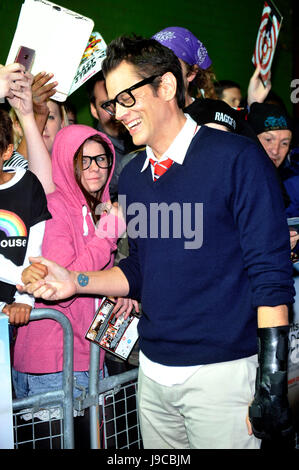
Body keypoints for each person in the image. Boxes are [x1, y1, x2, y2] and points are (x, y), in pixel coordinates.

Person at [19, 35, 295, 450]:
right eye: (113, 104)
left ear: (166, 87)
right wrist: (76, 280)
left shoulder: (236, 158)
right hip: (152, 373)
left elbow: (269, 274)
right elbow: (140, 270)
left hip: (221, 374)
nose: (119, 115)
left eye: (127, 99)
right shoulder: (130, 176)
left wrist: (272, 379)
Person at [0, 106, 50, 328]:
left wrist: (25, 298)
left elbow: (35, 250)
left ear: (6, 151)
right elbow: (26, 274)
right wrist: (22, 278)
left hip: (15, 308)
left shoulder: (28, 185)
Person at [86, 71, 140, 201]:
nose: (117, 111)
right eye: (106, 104)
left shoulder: (145, 135)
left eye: (121, 100)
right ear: (94, 110)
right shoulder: (90, 154)